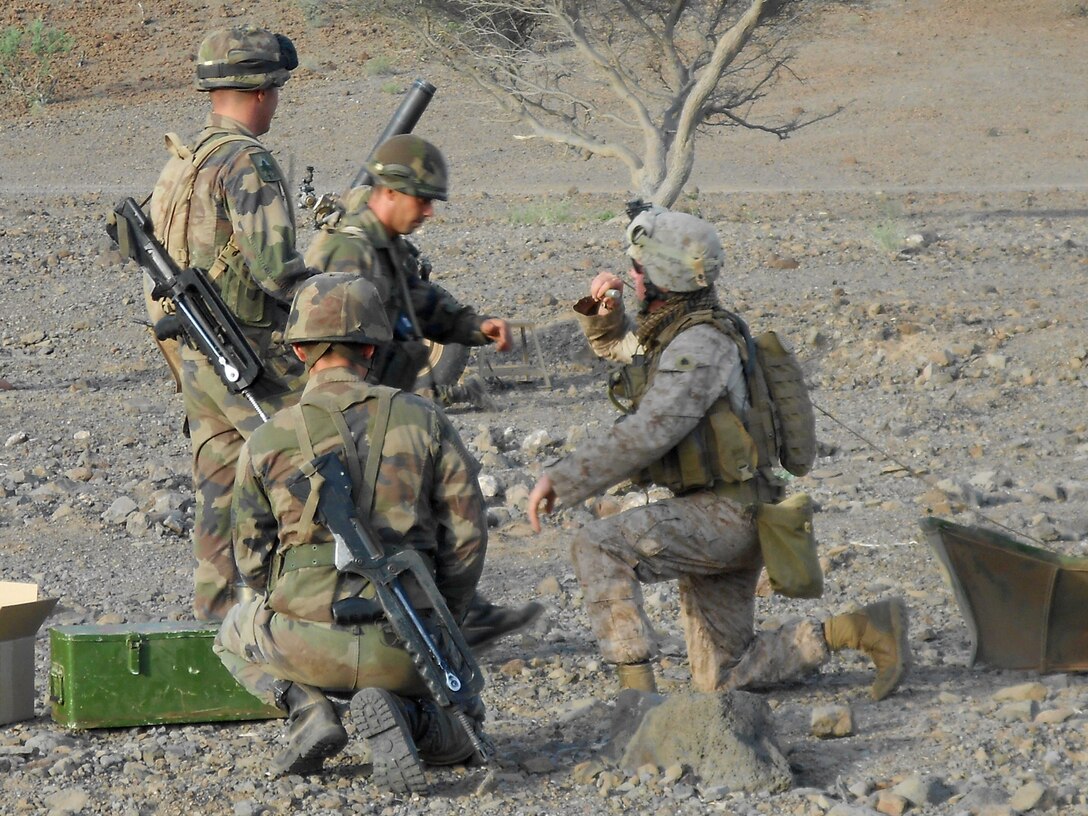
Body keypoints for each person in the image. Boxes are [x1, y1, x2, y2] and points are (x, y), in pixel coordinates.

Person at [528, 206, 910, 699]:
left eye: (638, 270)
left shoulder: (701, 342)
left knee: (597, 545)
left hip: (724, 517)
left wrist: (562, 480)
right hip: (732, 512)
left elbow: (652, 430)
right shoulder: (685, 332)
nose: (630, 276)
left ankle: (638, 704)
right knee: (722, 678)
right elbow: (627, 354)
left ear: (662, 278)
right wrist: (607, 318)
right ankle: (858, 631)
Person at [214, 273, 487, 788]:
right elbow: (467, 538)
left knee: (231, 632)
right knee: (460, 740)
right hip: (408, 646)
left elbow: (249, 558)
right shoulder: (424, 418)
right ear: (373, 345)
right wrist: (443, 620)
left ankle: (307, 707)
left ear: (298, 349)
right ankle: (414, 719)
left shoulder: (268, 436)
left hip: (307, 644)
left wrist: (289, 600)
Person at [304, 133, 541, 649]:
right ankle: (407, 625)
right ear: (388, 191)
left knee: (432, 505)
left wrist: (475, 326)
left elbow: (420, 304)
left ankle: (449, 613)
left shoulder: (384, 249)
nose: (429, 212)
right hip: (356, 416)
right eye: (422, 199)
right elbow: (331, 343)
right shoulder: (350, 252)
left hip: (384, 409)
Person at [148, 25, 314, 621]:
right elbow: (277, 274)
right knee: (314, 472)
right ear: (264, 91)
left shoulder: (184, 161)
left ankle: (216, 634)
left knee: (217, 498)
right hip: (245, 358)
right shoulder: (247, 162)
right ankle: (309, 623)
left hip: (195, 359)